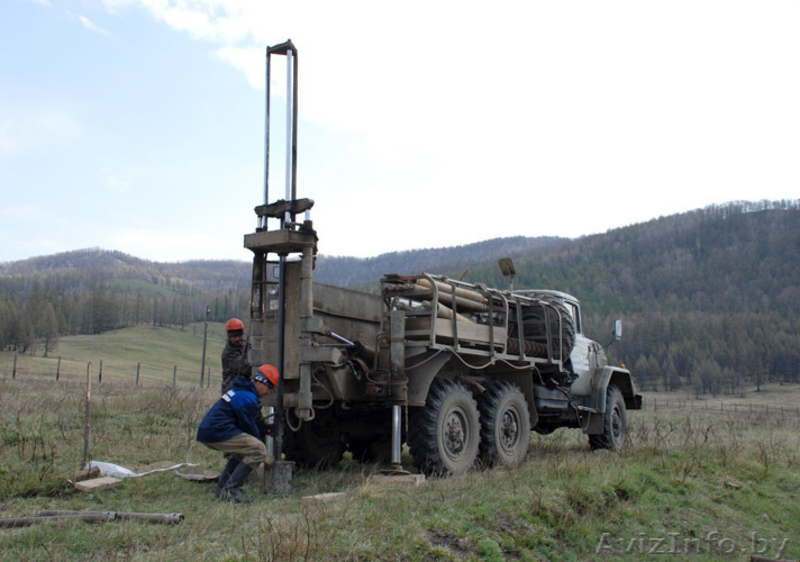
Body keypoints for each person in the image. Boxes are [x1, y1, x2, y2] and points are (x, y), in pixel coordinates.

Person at [197, 364, 279, 503]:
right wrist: (264, 453)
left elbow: (246, 421)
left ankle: (222, 488)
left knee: (242, 451)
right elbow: (249, 427)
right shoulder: (248, 398)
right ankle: (232, 490)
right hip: (218, 431)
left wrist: (266, 429)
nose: (269, 392)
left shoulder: (242, 393)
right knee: (257, 449)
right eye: (269, 387)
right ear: (260, 381)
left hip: (211, 430)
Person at [221, 318, 250, 395]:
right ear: (229, 337)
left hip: (243, 389)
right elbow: (243, 368)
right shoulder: (228, 354)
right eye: (234, 336)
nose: (238, 339)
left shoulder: (244, 346)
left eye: (240, 335)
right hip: (231, 391)